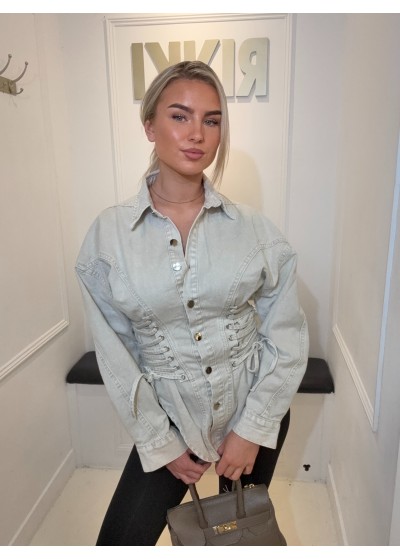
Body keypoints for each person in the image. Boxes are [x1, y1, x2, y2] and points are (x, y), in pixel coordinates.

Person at [76, 60, 309, 546]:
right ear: (149, 125)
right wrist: (160, 442)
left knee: (238, 537)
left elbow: (285, 335)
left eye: (211, 119)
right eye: (179, 116)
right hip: (169, 419)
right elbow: (116, 354)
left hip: (252, 407)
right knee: (119, 542)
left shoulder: (255, 231)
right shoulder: (109, 238)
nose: (197, 133)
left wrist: (253, 429)